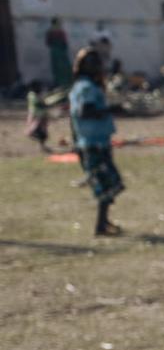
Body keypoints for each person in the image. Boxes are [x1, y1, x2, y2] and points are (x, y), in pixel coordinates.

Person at [67, 49, 124, 236]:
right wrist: (109, 110)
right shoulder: (86, 88)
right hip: (93, 143)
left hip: (94, 141)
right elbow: (85, 111)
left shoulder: (81, 86)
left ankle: (104, 222)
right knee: (105, 184)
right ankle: (100, 226)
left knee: (107, 184)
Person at [24, 80, 52, 152]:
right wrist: (44, 102)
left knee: (43, 133)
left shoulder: (34, 95)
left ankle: (42, 147)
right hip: (36, 116)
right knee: (35, 130)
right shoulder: (32, 95)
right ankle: (30, 134)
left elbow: (43, 103)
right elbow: (40, 103)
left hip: (41, 115)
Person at [45, 18, 73, 87]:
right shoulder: (60, 31)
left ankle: (60, 83)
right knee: (62, 68)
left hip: (56, 51)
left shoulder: (50, 31)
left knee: (58, 68)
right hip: (60, 51)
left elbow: (48, 43)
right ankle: (64, 83)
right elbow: (64, 42)